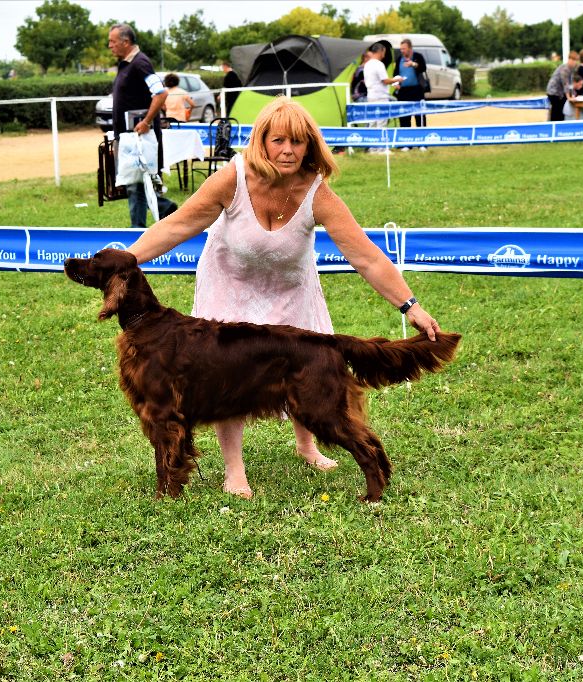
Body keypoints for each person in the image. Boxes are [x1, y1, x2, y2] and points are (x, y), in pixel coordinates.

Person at [124, 97, 443, 499]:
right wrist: (126, 261)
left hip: (290, 288)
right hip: (231, 283)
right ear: (262, 142)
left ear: (310, 145)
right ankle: (234, 470)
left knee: (306, 369)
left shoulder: (317, 192)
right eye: (278, 141)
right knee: (225, 374)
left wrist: (410, 306)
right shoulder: (233, 177)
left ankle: (307, 445)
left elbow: (365, 255)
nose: (288, 150)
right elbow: (178, 225)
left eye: (298, 141)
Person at [109, 23, 177, 227]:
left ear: (125, 42)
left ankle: (138, 228)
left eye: (112, 41)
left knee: (135, 184)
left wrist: (147, 121)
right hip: (129, 136)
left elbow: (161, 93)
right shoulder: (127, 63)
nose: (110, 46)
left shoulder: (140, 63)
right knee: (136, 184)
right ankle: (165, 209)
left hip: (138, 137)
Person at [364, 44, 404, 131]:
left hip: (371, 96)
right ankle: (380, 144)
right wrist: (397, 80)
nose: (384, 55)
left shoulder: (367, 65)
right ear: (380, 51)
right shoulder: (379, 64)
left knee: (372, 122)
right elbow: (385, 81)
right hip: (380, 97)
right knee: (381, 123)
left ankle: (371, 143)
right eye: (384, 52)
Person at [395, 38, 429, 128]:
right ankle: (406, 137)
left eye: (404, 49)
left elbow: (423, 68)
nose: (402, 51)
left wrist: (413, 64)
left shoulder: (418, 56)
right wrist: (396, 83)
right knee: (404, 117)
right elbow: (395, 73)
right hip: (403, 92)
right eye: (401, 49)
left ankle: (422, 135)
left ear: (410, 48)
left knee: (419, 116)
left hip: (417, 91)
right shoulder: (399, 59)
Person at [546, 51, 579, 121]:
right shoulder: (565, 69)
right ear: (569, 59)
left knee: (560, 111)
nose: (574, 62)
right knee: (556, 111)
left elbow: (570, 84)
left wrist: (573, 94)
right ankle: (554, 125)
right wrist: (569, 97)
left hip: (559, 92)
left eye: (575, 60)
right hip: (554, 92)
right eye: (573, 60)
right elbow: (565, 84)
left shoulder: (571, 69)